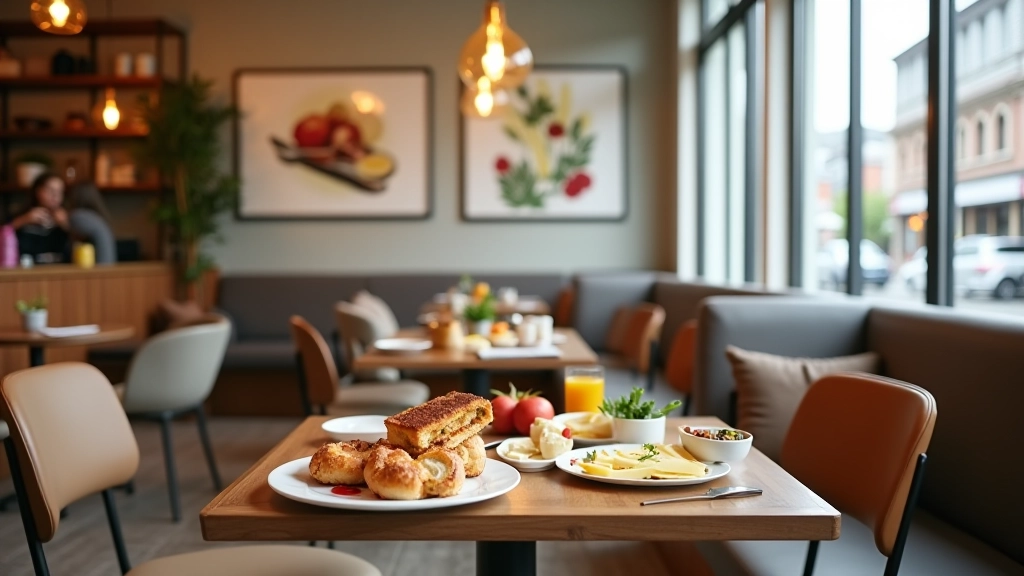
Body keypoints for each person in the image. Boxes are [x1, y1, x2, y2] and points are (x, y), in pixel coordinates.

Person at [9, 172, 70, 264]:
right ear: (38, 191)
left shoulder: (68, 218)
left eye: (59, 192)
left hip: (59, 271)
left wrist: (66, 225)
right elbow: (5, 233)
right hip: (26, 271)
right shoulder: (22, 216)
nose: (55, 196)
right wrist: (24, 220)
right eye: (50, 190)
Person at [68, 182, 117, 264]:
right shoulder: (98, 217)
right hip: (109, 266)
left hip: (98, 270)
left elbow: (69, 229)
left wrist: (62, 222)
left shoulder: (79, 216)